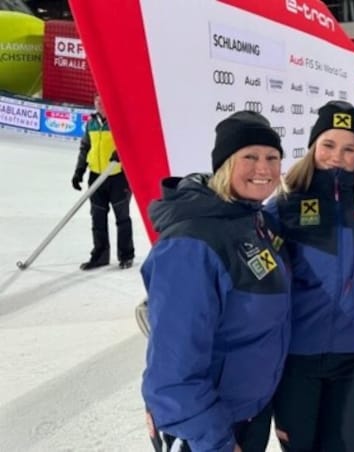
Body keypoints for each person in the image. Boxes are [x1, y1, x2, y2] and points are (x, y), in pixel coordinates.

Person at [141, 111, 291, 452]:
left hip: (247, 416)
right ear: (224, 164)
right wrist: (216, 442)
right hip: (208, 432)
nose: (263, 168)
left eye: (272, 157)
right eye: (249, 157)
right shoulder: (191, 243)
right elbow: (172, 375)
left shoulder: (253, 218)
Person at [267, 101, 354, 451]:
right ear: (313, 147)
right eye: (328, 145)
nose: (337, 156)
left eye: (349, 148)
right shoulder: (284, 202)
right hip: (298, 357)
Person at [71, 93, 135, 269]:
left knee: (122, 218)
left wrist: (121, 152)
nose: (99, 104)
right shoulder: (91, 123)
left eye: (102, 101)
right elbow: (85, 147)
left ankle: (126, 255)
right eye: (96, 101)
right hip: (96, 176)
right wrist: (79, 171)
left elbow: (132, 142)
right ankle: (100, 256)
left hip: (117, 177)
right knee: (97, 218)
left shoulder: (119, 122)